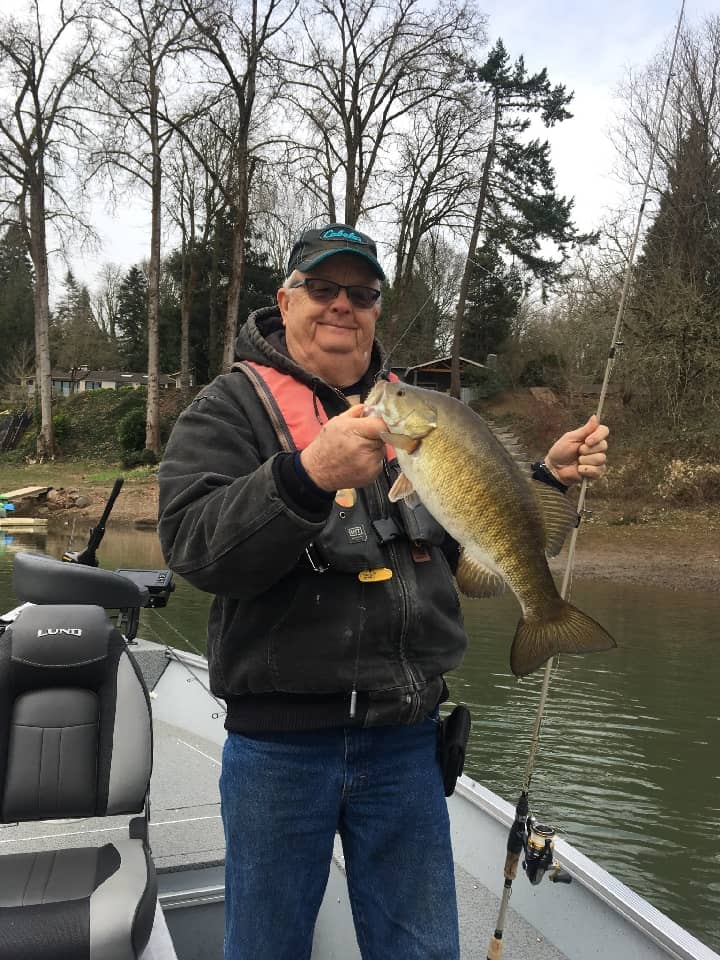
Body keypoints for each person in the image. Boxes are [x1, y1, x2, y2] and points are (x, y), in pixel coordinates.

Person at [157, 223, 609, 960]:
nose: (343, 306)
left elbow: (474, 538)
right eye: (324, 288)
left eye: (361, 294)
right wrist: (304, 475)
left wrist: (546, 482)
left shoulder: (420, 413)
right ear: (285, 298)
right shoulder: (228, 409)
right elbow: (194, 547)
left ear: (376, 311)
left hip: (406, 743)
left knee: (424, 951)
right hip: (280, 749)